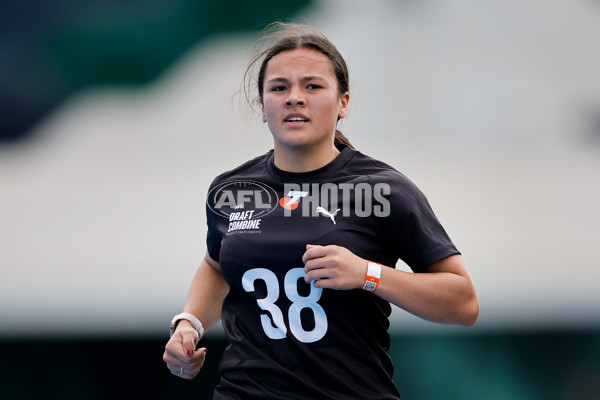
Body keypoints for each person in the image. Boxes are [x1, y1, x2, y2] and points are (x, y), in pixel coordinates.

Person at [163, 22, 479, 400]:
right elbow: (216, 265)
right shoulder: (231, 190)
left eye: (312, 86)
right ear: (263, 107)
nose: (294, 98)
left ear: (343, 102)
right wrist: (189, 322)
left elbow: (464, 303)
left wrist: (368, 274)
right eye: (279, 88)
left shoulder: (382, 189)